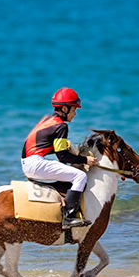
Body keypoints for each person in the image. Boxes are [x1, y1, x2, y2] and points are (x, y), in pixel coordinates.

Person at [20, 88, 97, 229]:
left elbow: (47, 146)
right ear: (64, 108)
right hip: (35, 163)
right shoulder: (61, 126)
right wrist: (85, 160)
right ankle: (69, 217)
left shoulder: (47, 119)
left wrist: (61, 149)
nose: (75, 113)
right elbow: (62, 156)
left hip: (29, 161)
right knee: (80, 176)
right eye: (74, 109)